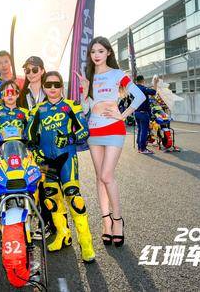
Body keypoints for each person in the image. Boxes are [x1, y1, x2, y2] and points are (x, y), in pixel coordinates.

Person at [77, 36, 146, 248]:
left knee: (107, 176)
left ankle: (117, 220)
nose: (96, 55)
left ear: (108, 52)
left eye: (100, 51)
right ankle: (106, 222)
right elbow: (86, 109)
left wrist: (123, 115)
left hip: (114, 129)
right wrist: (84, 90)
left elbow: (140, 96)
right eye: (93, 52)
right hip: (94, 130)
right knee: (99, 178)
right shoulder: (89, 76)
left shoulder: (117, 74)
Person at [26, 71, 95, 263]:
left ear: (62, 86)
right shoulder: (37, 109)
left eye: (56, 84)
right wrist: (35, 151)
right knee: (52, 199)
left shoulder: (71, 105)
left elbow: (84, 131)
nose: (53, 88)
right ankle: (63, 235)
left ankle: (86, 243)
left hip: (67, 157)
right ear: (44, 87)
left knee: (74, 198)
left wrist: (69, 138)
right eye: (48, 85)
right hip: (46, 161)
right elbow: (29, 136)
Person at [17, 55, 53, 238]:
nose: (31, 73)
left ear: (42, 70)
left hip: (49, 145)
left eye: (34, 69)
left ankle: (48, 223)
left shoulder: (51, 90)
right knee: (32, 183)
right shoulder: (22, 95)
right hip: (28, 146)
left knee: (47, 184)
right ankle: (32, 221)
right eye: (27, 70)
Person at [0, 80, 30, 172]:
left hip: (21, 151)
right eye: (7, 93)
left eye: (13, 92)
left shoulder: (26, 113)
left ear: (18, 94)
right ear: (2, 96)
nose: (10, 95)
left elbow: (30, 135)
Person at [133, 75, 158, 154]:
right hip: (143, 113)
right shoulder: (143, 88)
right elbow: (153, 92)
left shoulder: (134, 89)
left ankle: (140, 147)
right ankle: (143, 149)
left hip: (136, 112)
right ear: (143, 80)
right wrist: (155, 83)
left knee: (140, 130)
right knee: (144, 131)